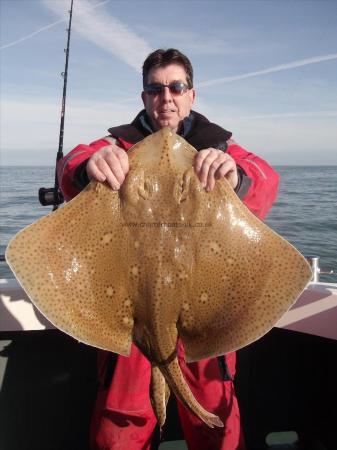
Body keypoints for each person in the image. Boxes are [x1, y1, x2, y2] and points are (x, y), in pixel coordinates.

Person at [58, 48, 279, 450]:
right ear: (143, 97)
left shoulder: (221, 147)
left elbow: (266, 179)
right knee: (119, 424)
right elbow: (72, 165)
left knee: (218, 422)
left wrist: (238, 174)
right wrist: (90, 163)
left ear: (192, 94)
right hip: (130, 314)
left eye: (176, 87)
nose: (166, 97)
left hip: (205, 311)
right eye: (155, 89)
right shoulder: (118, 144)